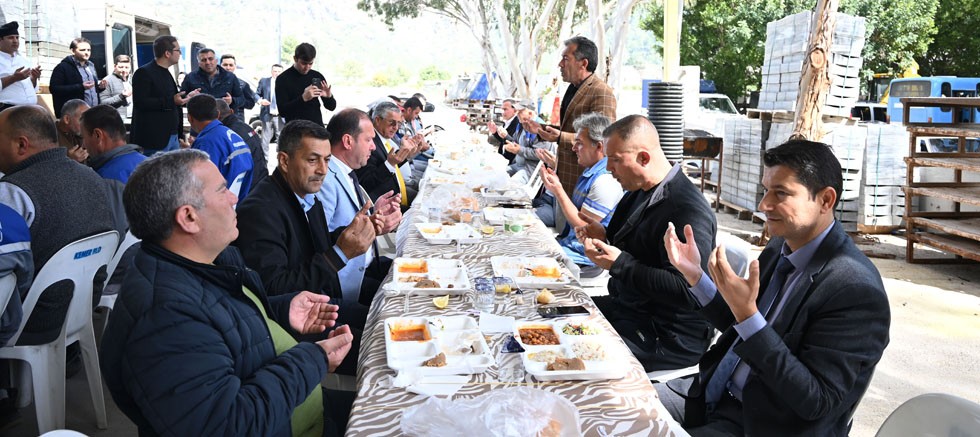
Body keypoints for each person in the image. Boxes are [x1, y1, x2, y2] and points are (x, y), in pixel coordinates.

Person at [100, 149, 355, 437]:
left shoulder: (204, 263)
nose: (235, 198)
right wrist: (313, 360)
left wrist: (280, 311)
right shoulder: (164, 319)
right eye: (223, 190)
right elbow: (230, 425)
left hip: (300, 408)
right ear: (189, 217)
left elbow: (219, 322)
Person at [661, 139, 891, 436]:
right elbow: (743, 328)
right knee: (619, 403)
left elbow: (816, 401)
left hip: (763, 425)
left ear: (825, 200)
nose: (764, 205)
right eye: (765, 190)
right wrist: (696, 277)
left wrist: (747, 316)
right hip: (711, 395)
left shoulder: (855, 291)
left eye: (780, 193)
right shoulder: (781, 246)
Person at [575, 115, 715, 372]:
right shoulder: (638, 191)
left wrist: (620, 264)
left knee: (574, 355)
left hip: (666, 335)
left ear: (644, 158)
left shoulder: (686, 209)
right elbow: (637, 248)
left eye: (615, 160)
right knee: (560, 315)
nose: (608, 169)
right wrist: (603, 236)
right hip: (628, 309)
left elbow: (688, 291)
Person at [234, 120, 380, 335]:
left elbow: (312, 244)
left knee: (383, 316)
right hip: (293, 319)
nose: (322, 170)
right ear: (284, 161)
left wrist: (352, 233)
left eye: (327, 161)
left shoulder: (305, 193)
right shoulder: (260, 210)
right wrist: (340, 253)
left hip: (320, 298)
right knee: (379, 341)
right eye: (313, 160)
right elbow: (275, 288)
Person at [0, 105, 114, 271]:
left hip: (30, 295)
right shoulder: (94, 178)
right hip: (89, 292)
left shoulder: (13, 192)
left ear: (21, 145)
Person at [318, 108, 400, 307]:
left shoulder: (346, 171)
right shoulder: (326, 180)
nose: (373, 147)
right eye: (368, 140)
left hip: (371, 263)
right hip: (350, 280)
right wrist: (374, 226)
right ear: (348, 141)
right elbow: (321, 239)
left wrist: (375, 211)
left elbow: (351, 216)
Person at [539, 113, 623, 279]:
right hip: (570, 247)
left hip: (585, 259)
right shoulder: (591, 171)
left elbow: (584, 226)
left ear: (599, 147)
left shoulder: (605, 180)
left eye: (579, 143)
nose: (573, 148)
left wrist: (558, 190)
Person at [536, 36, 616, 201]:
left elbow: (602, 138)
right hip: (563, 179)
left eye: (566, 59)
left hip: (581, 184)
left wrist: (559, 137)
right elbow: (573, 129)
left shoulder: (601, 92)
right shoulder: (572, 89)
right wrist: (545, 129)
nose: (560, 64)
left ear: (583, 63)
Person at [131, 35, 199, 154]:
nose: (180, 54)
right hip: (154, 139)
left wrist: (186, 97)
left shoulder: (167, 72)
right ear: (167, 53)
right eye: (178, 50)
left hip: (172, 135)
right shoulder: (144, 73)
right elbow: (140, 102)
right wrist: (171, 101)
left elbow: (168, 97)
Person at [355, 102, 422, 208]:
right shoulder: (371, 143)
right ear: (377, 120)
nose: (395, 127)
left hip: (397, 195)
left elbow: (392, 163)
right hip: (384, 205)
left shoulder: (385, 138)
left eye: (399, 123)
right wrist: (390, 164)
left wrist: (406, 155)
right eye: (391, 122)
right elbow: (366, 182)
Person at [186, 95, 253, 200]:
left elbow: (200, 187)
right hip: (237, 203)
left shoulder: (205, 143)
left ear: (189, 118)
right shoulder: (234, 136)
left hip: (218, 207)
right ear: (217, 115)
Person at [82, 104, 146, 184]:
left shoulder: (103, 180)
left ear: (97, 135)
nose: (83, 145)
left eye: (83, 137)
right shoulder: (151, 164)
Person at [275, 43, 336, 125]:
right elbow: (282, 111)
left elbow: (331, 107)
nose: (307, 67)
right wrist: (303, 98)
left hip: (316, 129)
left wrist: (329, 97)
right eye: (304, 63)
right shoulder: (283, 79)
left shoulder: (316, 76)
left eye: (310, 63)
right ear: (295, 59)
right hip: (295, 131)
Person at [216, 98, 268, 189]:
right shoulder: (244, 127)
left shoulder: (227, 134)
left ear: (217, 116)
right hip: (260, 181)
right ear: (231, 111)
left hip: (248, 188)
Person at [49, 37, 104, 117]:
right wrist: (81, 87)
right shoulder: (62, 67)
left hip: (92, 112)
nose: (87, 53)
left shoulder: (91, 66)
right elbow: (54, 89)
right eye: (82, 50)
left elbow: (91, 90)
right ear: (73, 51)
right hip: (74, 115)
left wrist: (100, 87)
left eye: (89, 50)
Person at [179, 48, 244, 115]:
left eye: (210, 59)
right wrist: (189, 98)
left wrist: (232, 101)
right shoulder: (190, 78)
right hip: (201, 119)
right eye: (203, 60)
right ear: (199, 63)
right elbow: (181, 100)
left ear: (216, 60)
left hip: (225, 119)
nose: (207, 62)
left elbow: (241, 99)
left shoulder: (230, 77)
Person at [0, 22, 42, 111]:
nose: (15, 41)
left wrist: (34, 78)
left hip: (29, 110)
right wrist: (13, 78)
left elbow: (31, 88)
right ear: (1, 40)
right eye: (10, 37)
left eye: (17, 37)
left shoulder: (23, 60)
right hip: (7, 111)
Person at [219, 54, 258, 121]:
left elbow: (250, 104)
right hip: (216, 120)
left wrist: (233, 101)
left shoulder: (243, 85)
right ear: (220, 66)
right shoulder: (211, 82)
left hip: (236, 121)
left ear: (235, 67)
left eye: (231, 65)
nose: (228, 68)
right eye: (225, 65)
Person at [54, 99, 91, 163]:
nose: (87, 124)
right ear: (67, 119)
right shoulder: (49, 136)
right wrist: (69, 160)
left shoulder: (81, 133)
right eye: (82, 120)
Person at [98, 54, 133, 119]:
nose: (124, 70)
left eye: (127, 67)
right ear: (115, 66)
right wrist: (121, 96)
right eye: (121, 67)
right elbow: (103, 103)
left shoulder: (132, 79)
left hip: (133, 117)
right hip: (117, 119)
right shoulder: (107, 80)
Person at [256, 64, 283, 146]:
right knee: (265, 139)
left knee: (281, 139)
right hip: (267, 113)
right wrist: (260, 101)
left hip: (280, 115)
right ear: (271, 72)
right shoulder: (264, 81)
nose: (277, 73)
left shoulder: (286, 83)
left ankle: (281, 158)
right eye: (275, 71)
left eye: (279, 72)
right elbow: (256, 94)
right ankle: (264, 158)